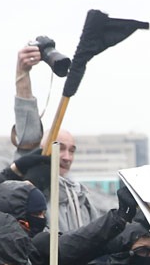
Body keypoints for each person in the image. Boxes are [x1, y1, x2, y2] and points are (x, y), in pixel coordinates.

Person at [10, 43, 106, 230]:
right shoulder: (28, 189)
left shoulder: (80, 195)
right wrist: (22, 74)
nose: (67, 157)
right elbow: (28, 132)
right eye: (59, 148)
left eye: (72, 151)